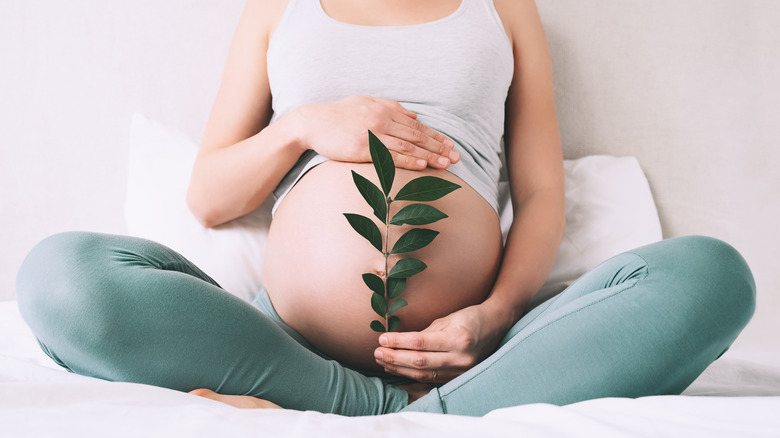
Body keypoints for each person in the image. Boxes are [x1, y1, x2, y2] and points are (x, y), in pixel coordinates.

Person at [16, 0, 755, 417]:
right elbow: (209, 196)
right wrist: (305, 126)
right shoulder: (277, 10)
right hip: (287, 349)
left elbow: (539, 195)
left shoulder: (505, 9)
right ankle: (389, 414)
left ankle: (402, 413)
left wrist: (492, 316)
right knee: (58, 277)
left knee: (712, 276)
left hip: (477, 352)